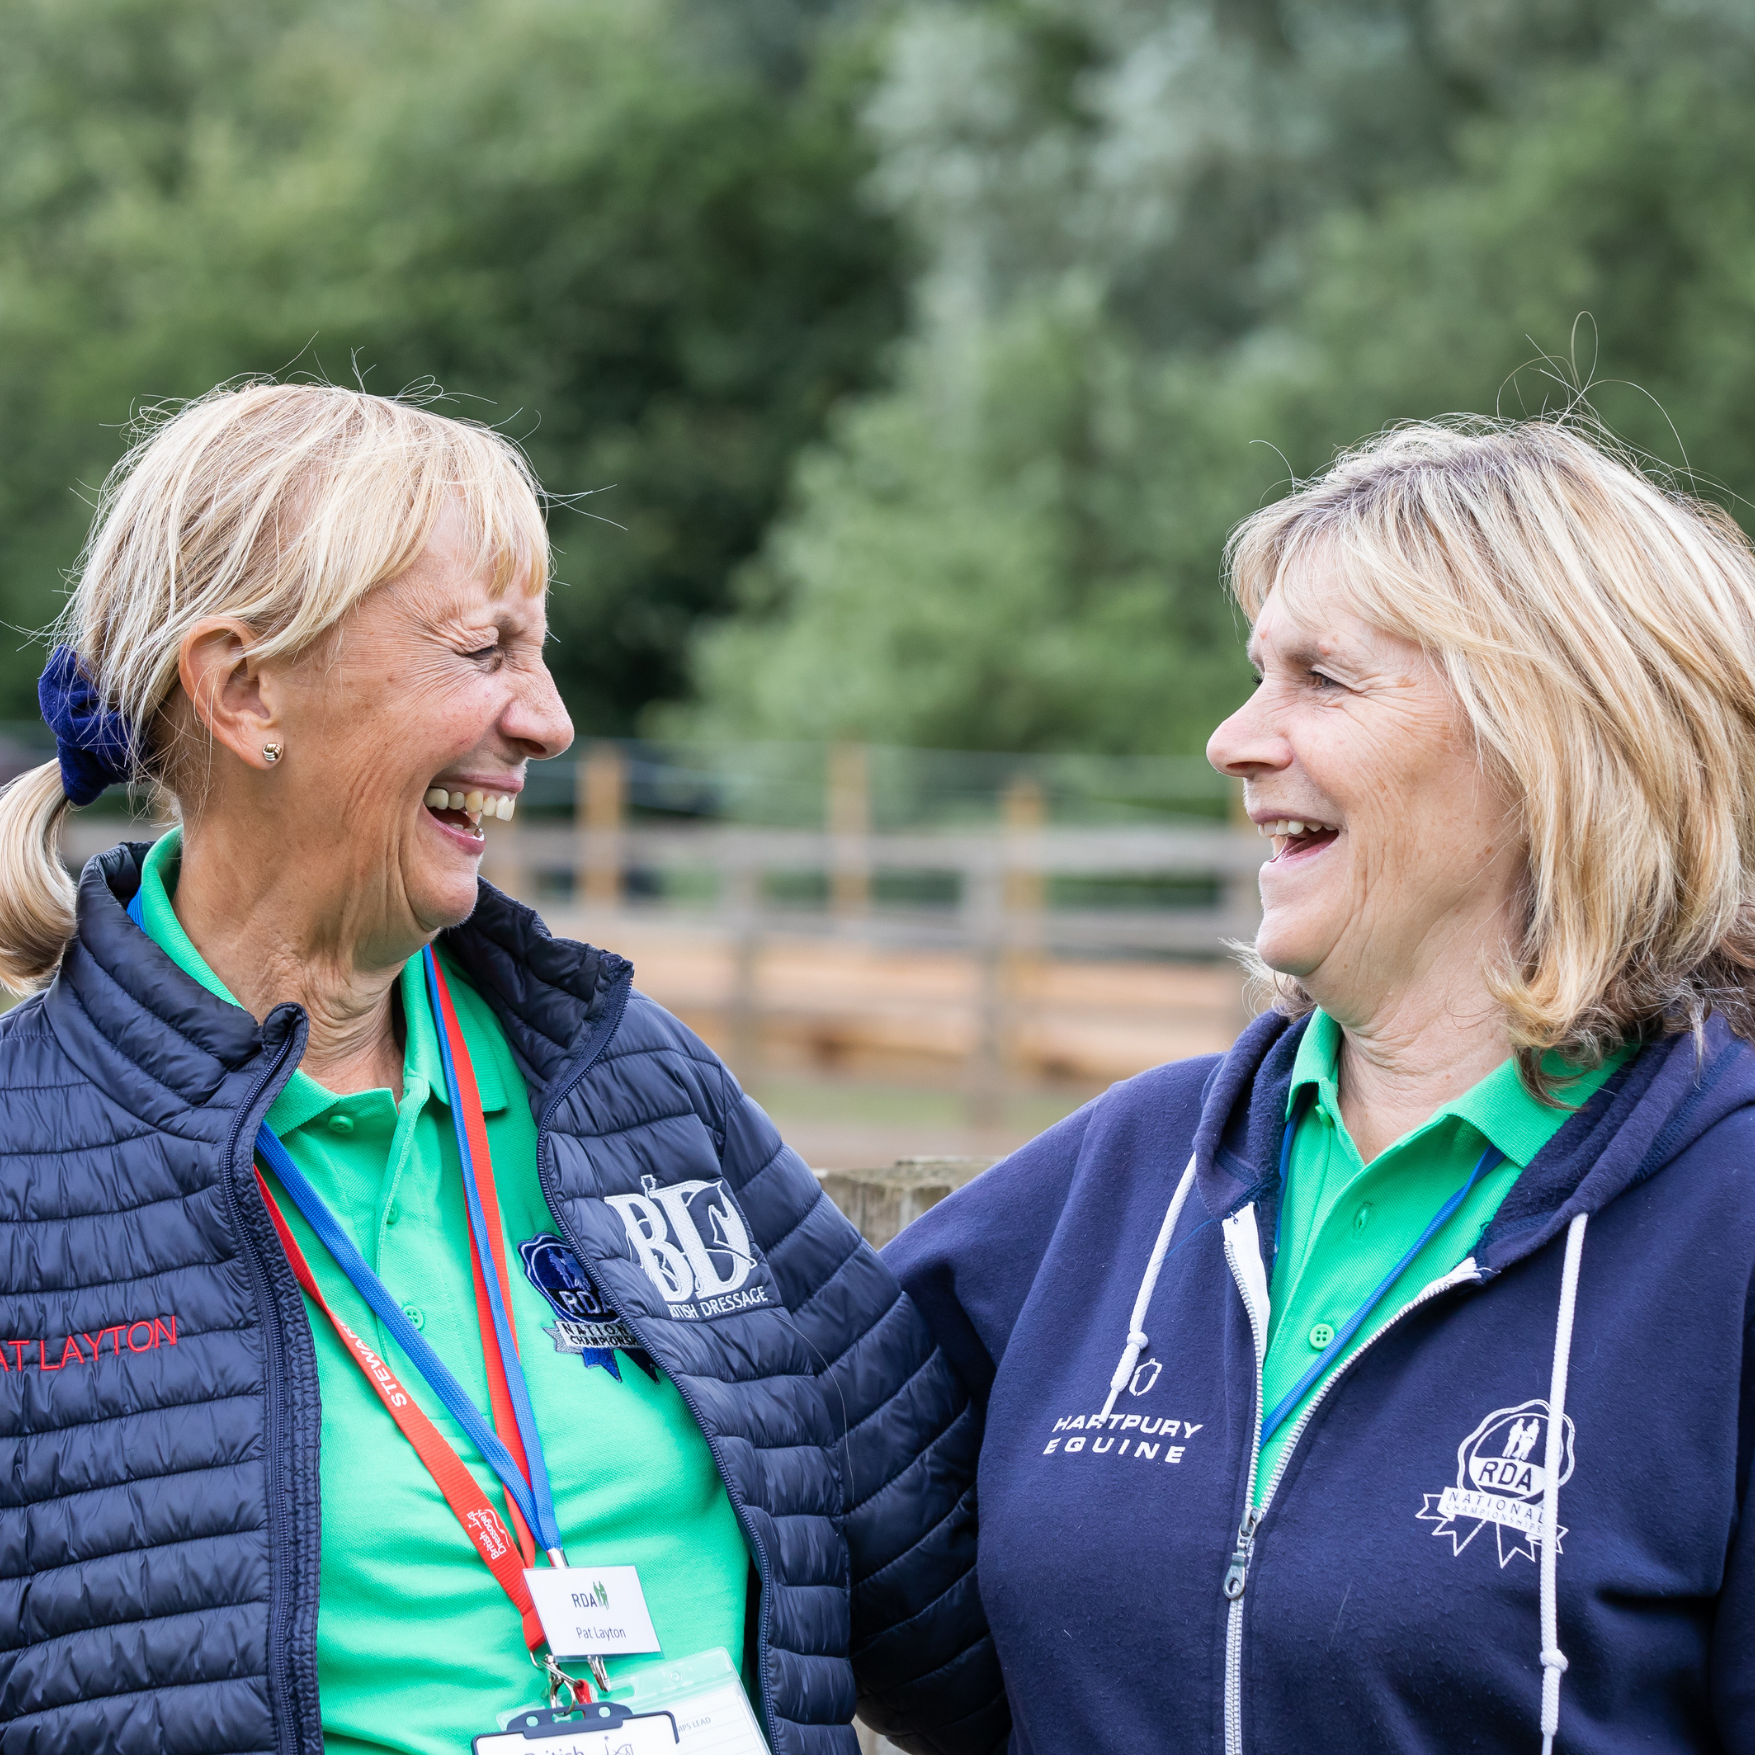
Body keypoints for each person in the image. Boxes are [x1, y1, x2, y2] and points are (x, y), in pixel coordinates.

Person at [0, 382, 971, 1755]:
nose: (549, 719)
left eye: (540, 650)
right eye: (482, 649)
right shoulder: (20, 1168)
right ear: (245, 689)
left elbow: (980, 1615)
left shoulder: (627, 1084)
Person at [854, 419, 1755, 1753]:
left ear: (1552, 739)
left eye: (1322, 679)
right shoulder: (1131, 1165)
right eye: (1255, 674)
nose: (1233, 738)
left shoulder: (1725, 1215)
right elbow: (772, 1476)